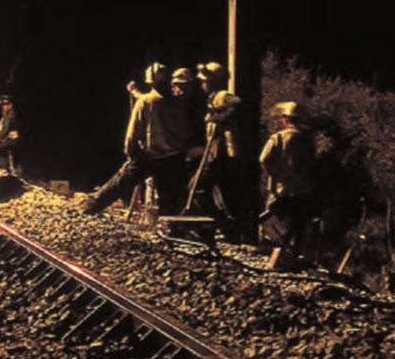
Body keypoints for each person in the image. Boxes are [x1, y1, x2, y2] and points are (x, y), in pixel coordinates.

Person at [83, 63, 188, 217]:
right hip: (173, 158)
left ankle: (90, 208)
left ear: (150, 82)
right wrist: (135, 92)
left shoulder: (144, 102)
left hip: (150, 156)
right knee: (169, 198)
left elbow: (132, 133)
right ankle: (170, 226)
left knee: (120, 182)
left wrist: (131, 153)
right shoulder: (178, 102)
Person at [190, 61, 249, 242]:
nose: (202, 84)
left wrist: (217, 116)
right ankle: (230, 231)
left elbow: (237, 103)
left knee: (197, 187)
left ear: (214, 80)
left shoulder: (223, 96)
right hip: (218, 154)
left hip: (222, 155)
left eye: (205, 81)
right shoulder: (213, 97)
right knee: (225, 194)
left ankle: (224, 225)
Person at [259, 101, 314, 269]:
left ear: (285, 119)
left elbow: (263, 158)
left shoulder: (278, 138)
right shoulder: (306, 140)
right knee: (298, 225)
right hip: (302, 190)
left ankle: (276, 257)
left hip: (281, 189)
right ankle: (293, 258)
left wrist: (272, 173)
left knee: (272, 222)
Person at [0, 94, 21, 177]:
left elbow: (6, 129)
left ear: (11, 105)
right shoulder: (6, 115)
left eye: (6, 104)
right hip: (8, 139)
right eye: (3, 105)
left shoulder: (11, 115)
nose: (4, 107)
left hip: (12, 139)